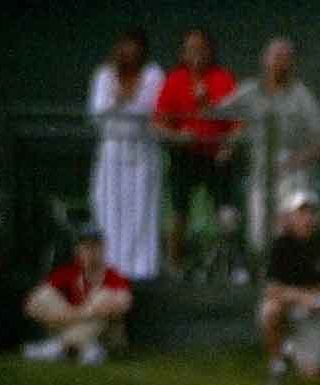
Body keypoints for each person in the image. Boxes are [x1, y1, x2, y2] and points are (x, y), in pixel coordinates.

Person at [212, 37, 320, 253]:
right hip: (260, 171)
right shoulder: (251, 90)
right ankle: (260, 268)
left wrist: (297, 160)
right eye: (277, 57)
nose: (281, 63)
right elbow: (217, 112)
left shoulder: (301, 95)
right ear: (265, 60)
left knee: (288, 232)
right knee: (259, 233)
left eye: (286, 58)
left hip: (292, 172)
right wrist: (228, 140)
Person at [152, 27, 237, 277]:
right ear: (183, 53)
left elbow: (239, 124)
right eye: (191, 49)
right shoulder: (175, 79)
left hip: (216, 155)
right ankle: (174, 264)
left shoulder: (223, 79)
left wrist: (228, 145)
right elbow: (158, 124)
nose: (196, 53)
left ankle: (227, 264)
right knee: (178, 211)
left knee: (227, 215)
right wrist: (178, 136)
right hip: (185, 153)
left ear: (211, 51)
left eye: (201, 48)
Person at [88, 28, 165, 281]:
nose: (129, 52)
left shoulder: (153, 74)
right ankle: (111, 269)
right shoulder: (104, 74)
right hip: (112, 151)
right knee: (108, 210)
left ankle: (142, 271)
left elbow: (146, 110)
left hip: (142, 152)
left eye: (134, 47)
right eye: (125, 46)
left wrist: (122, 102)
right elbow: (98, 112)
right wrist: (121, 101)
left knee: (141, 213)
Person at [259, 190, 320, 384]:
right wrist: (301, 297)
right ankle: (277, 362)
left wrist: (311, 299)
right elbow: (271, 289)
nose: (307, 218)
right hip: (288, 306)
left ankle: (292, 348)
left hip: (316, 311)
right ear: (291, 217)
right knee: (270, 311)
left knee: (311, 373)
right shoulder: (279, 245)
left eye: (311, 212)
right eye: (301, 213)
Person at [22, 225, 131, 364]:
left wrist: (80, 314)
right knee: (44, 295)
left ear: (103, 249)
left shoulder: (113, 276)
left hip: (104, 335)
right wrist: (78, 315)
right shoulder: (68, 272)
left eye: (95, 247)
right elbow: (31, 305)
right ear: (77, 250)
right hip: (70, 324)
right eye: (86, 247)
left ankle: (58, 347)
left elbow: (123, 305)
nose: (91, 252)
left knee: (104, 298)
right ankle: (83, 349)